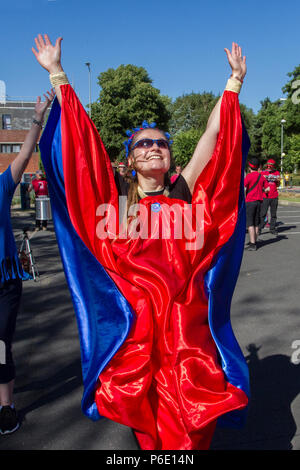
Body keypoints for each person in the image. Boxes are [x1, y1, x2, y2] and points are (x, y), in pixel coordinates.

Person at [33, 35, 249, 450]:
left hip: (188, 343)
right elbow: (83, 152)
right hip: (136, 344)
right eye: (143, 144)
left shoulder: (184, 197)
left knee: (193, 430)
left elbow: (212, 138)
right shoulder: (115, 208)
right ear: (130, 161)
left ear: (170, 157)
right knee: (148, 433)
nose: (154, 148)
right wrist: (58, 75)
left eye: (161, 143)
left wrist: (234, 83)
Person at [0, 89, 54, 435]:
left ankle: (6, 406)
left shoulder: (3, 186)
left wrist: (38, 117)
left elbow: (23, 153)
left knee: (1, 344)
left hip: (4, 282)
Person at [244, 158, 269, 251]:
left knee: (250, 223)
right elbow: (267, 189)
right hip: (259, 202)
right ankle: (255, 240)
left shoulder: (249, 176)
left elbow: (243, 186)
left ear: (250, 167)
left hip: (250, 202)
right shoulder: (262, 177)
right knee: (256, 223)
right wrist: (261, 190)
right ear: (258, 167)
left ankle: (252, 244)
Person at [259, 159, 280, 236]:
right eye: (268, 165)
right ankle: (260, 228)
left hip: (274, 196)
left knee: (273, 214)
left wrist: (278, 180)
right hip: (265, 196)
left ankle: (272, 228)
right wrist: (264, 189)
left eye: (271, 165)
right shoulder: (263, 172)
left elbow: (278, 184)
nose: (269, 166)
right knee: (263, 213)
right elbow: (260, 184)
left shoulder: (277, 173)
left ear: (273, 166)